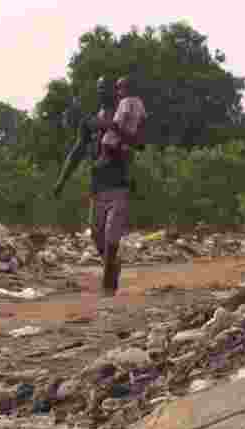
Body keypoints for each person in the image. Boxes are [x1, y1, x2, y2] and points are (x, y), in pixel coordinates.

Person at [53, 76, 146, 297]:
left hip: (120, 184)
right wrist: (61, 180)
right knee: (97, 236)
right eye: (100, 88)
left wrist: (114, 128)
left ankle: (108, 289)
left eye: (107, 88)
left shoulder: (126, 115)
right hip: (98, 186)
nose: (103, 92)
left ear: (116, 91)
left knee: (112, 238)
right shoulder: (90, 122)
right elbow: (76, 152)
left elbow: (139, 143)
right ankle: (112, 267)